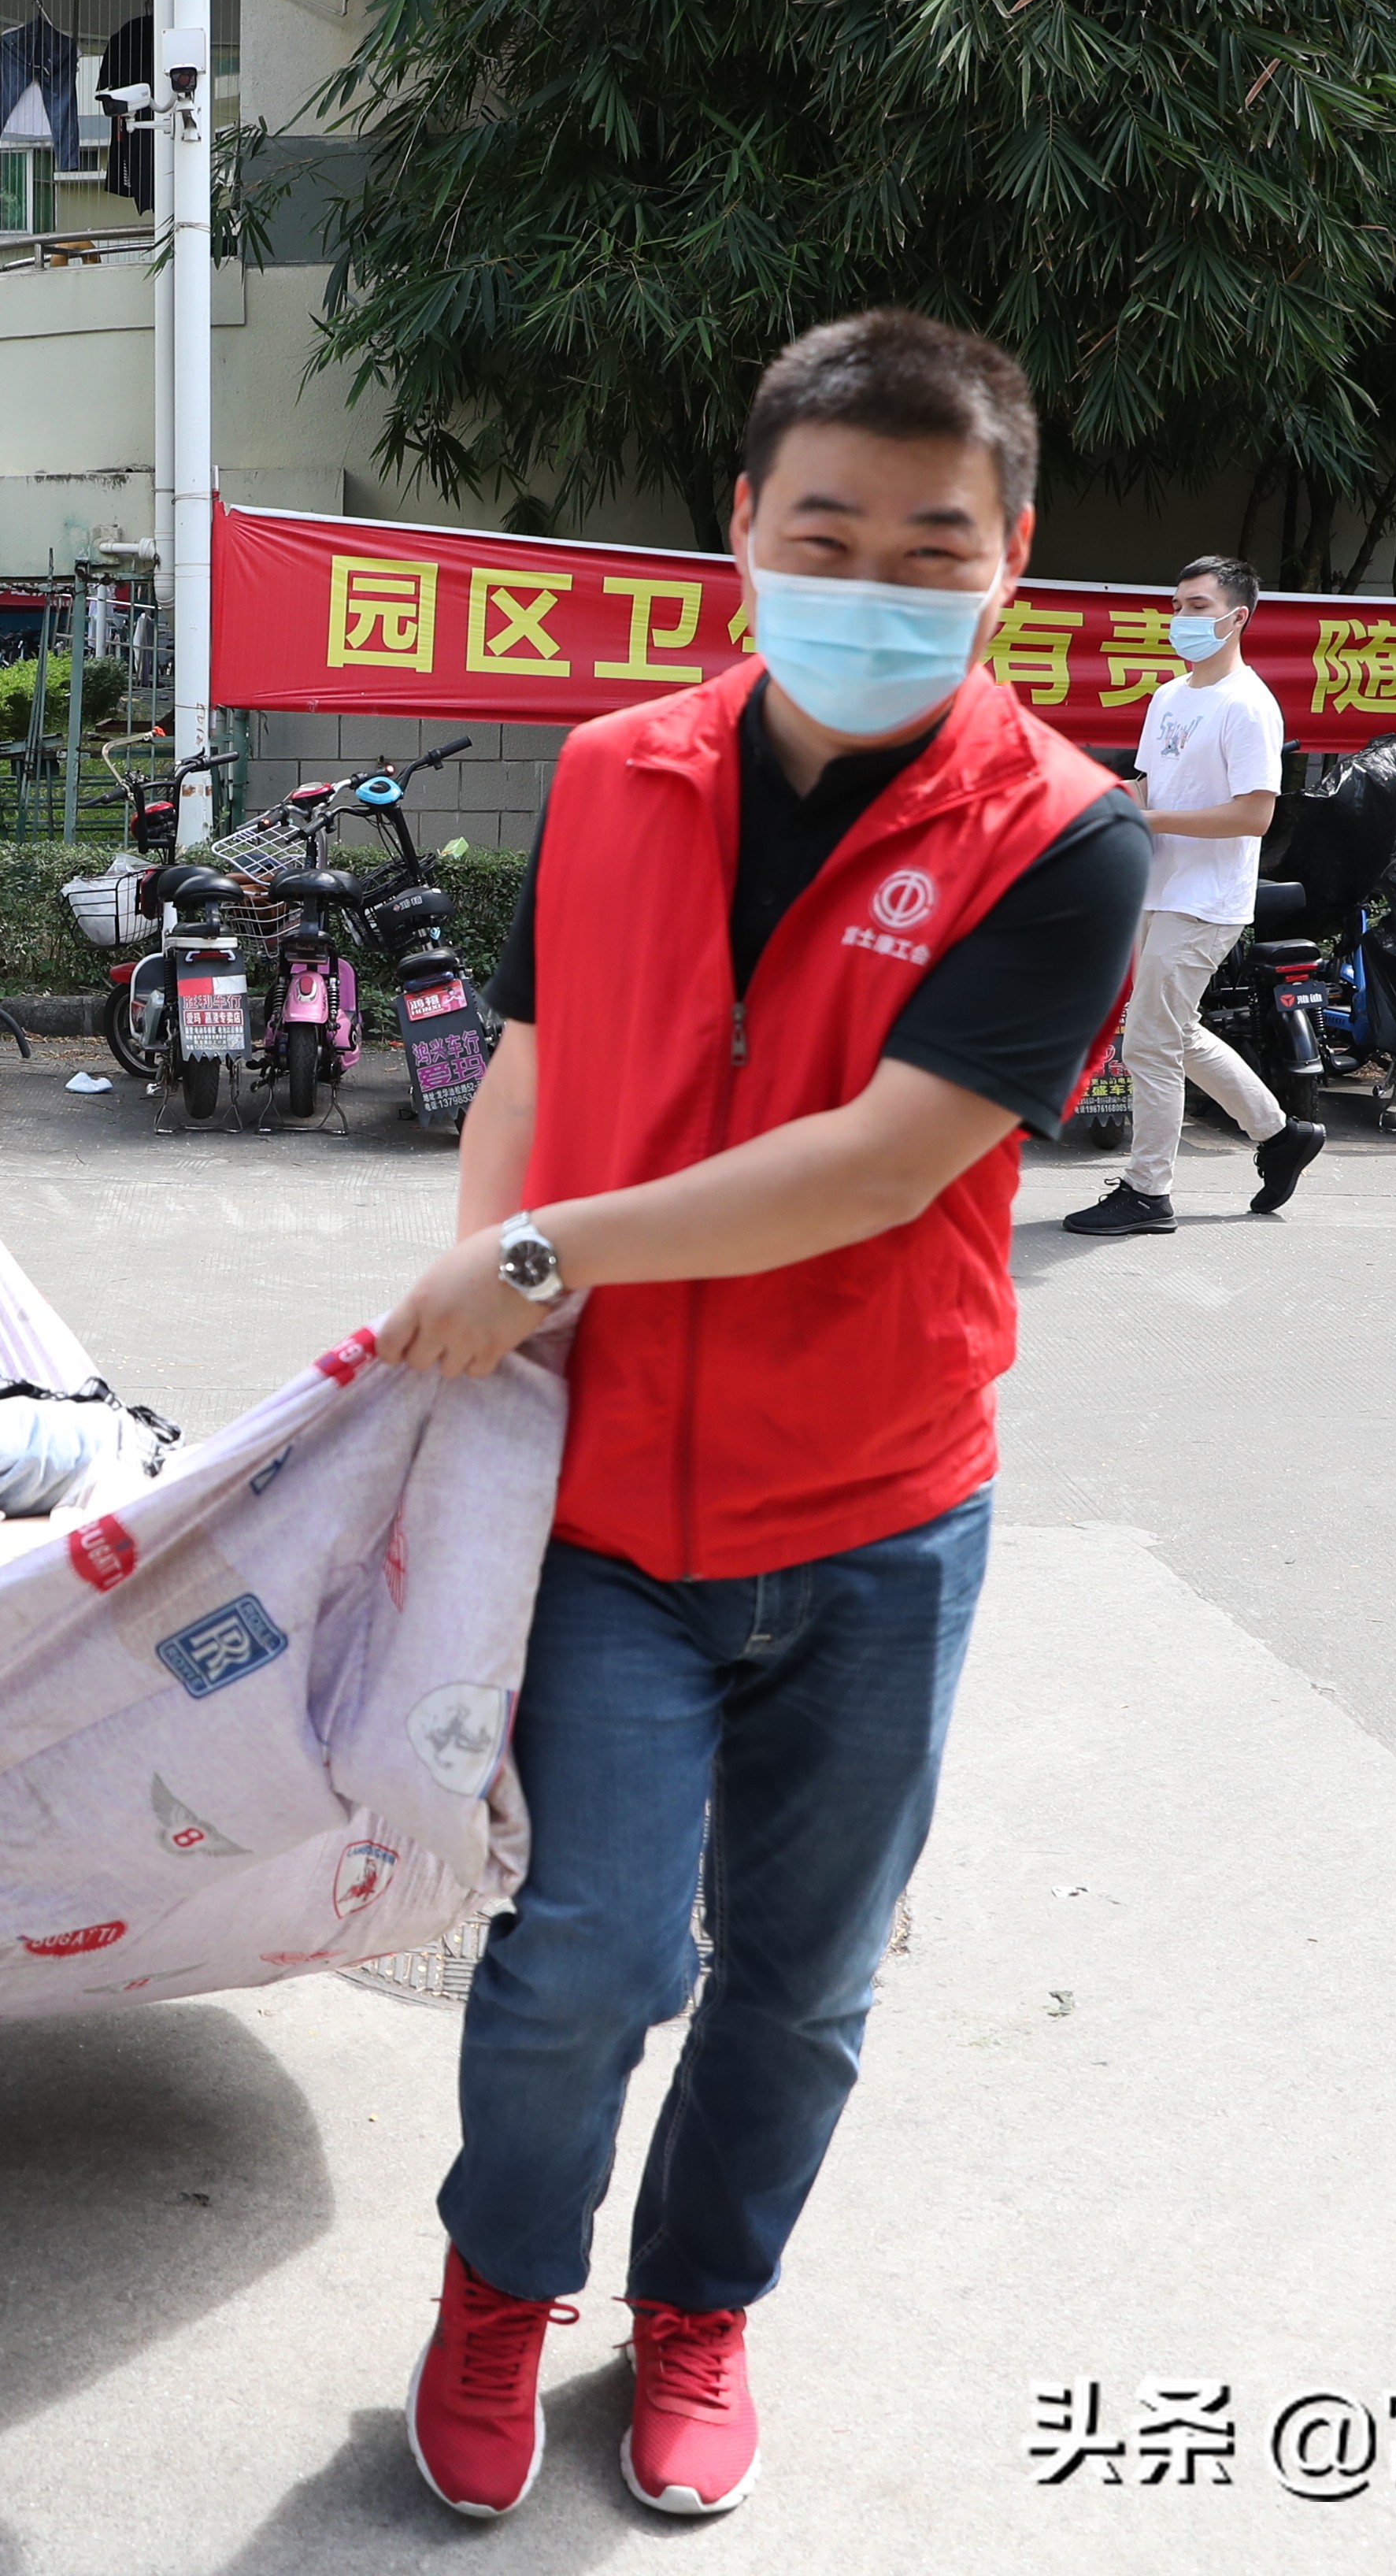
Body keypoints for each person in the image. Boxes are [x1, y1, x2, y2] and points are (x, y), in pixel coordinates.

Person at [368, 310, 1146, 2523]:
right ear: (740, 528)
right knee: (588, 1954)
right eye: (830, 530)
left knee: (797, 1989)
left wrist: (542, 1260)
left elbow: (890, 1161)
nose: (878, 581)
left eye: (934, 545)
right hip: (609, 1511)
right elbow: (528, 1056)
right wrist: (503, 1292)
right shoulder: (610, 772)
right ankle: (501, 2285)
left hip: (881, 1518)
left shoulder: (1062, 836)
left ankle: (698, 2309)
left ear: (1015, 556)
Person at [1065, 554, 1321, 1233]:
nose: (1182, 619)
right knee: (1173, 1030)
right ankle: (1279, 1133)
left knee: (1148, 1041)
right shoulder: (1168, 698)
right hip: (1155, 890)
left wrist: (1151, 820)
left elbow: (1253, 815)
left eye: (1199, 607)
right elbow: (1150, 788)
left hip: (1206, 899)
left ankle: (1148, 1191)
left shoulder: (1249, 705)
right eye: (1178, 605)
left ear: (1238, 617)